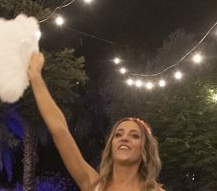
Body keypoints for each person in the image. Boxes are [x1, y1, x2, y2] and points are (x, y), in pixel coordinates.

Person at [27, 52, 164, 191]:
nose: (124, 138)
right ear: (111, 146)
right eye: (118, 135)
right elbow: (60, 130)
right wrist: (35, 76)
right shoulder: (94, 185)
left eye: (134, 135)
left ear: (145, 149)